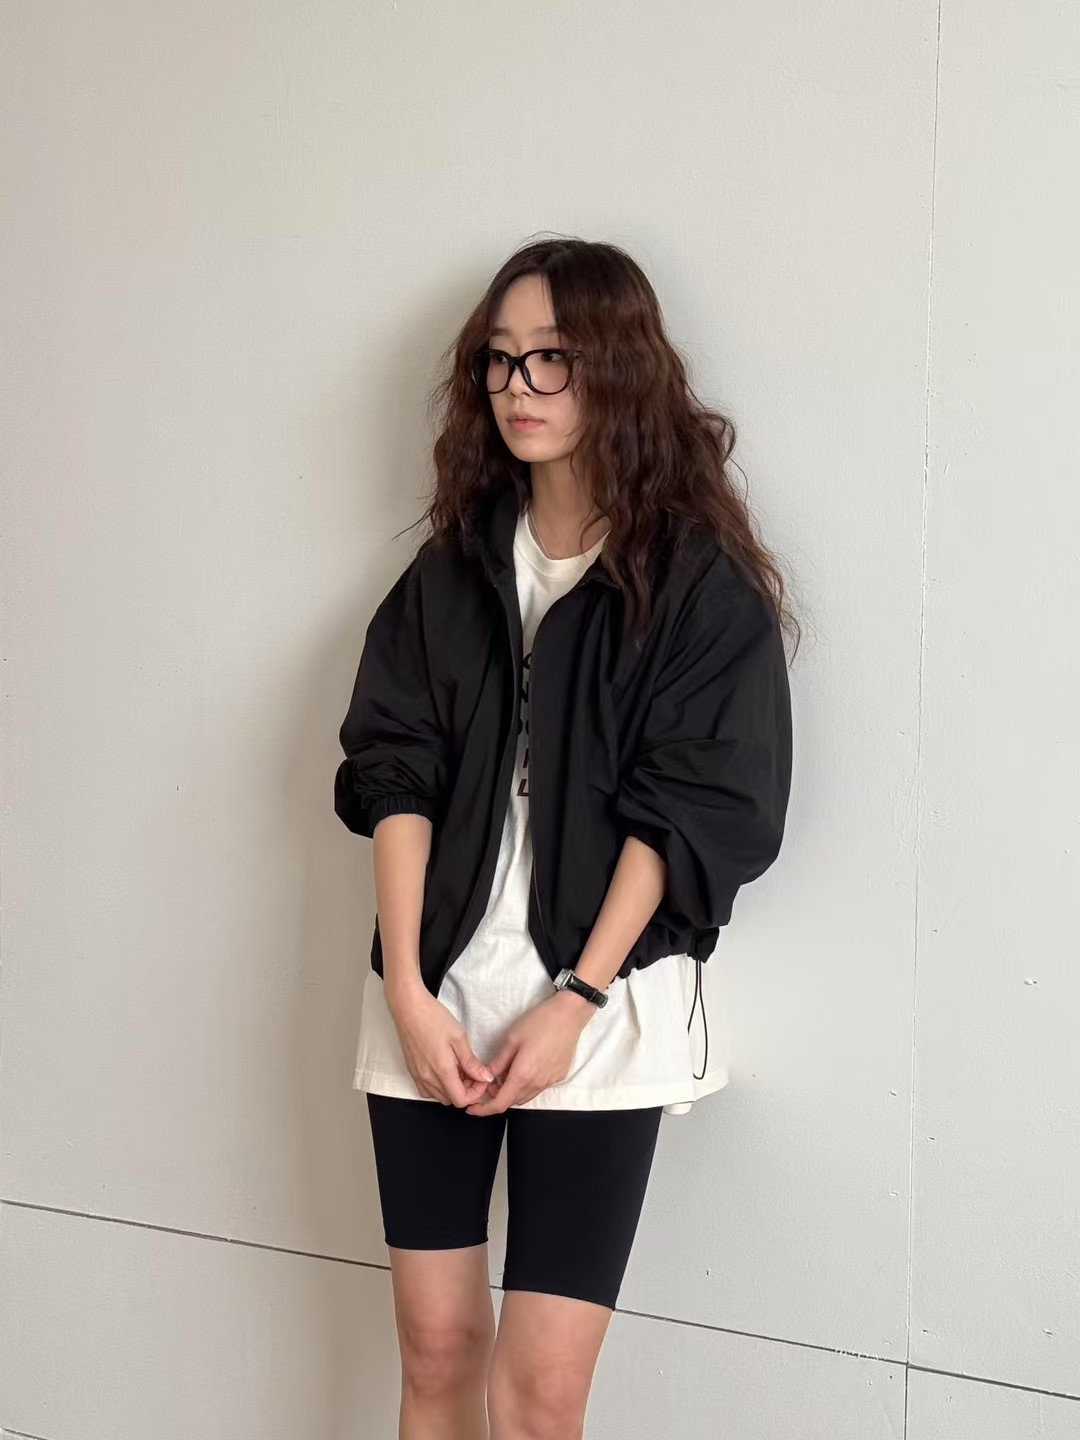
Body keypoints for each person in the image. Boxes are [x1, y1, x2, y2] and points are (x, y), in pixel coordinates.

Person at [334, 236, 797, 1440]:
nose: (520, 387)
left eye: (554, 358)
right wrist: (408, 987)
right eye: (501, 360)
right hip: (433, 999)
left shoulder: (695, 587)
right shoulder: (450, 573)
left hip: (603, 1008)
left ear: (618, 368)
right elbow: (392, 776)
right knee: (436, 1350)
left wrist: (578, 997)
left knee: (540, 1393)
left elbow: (694, 808)